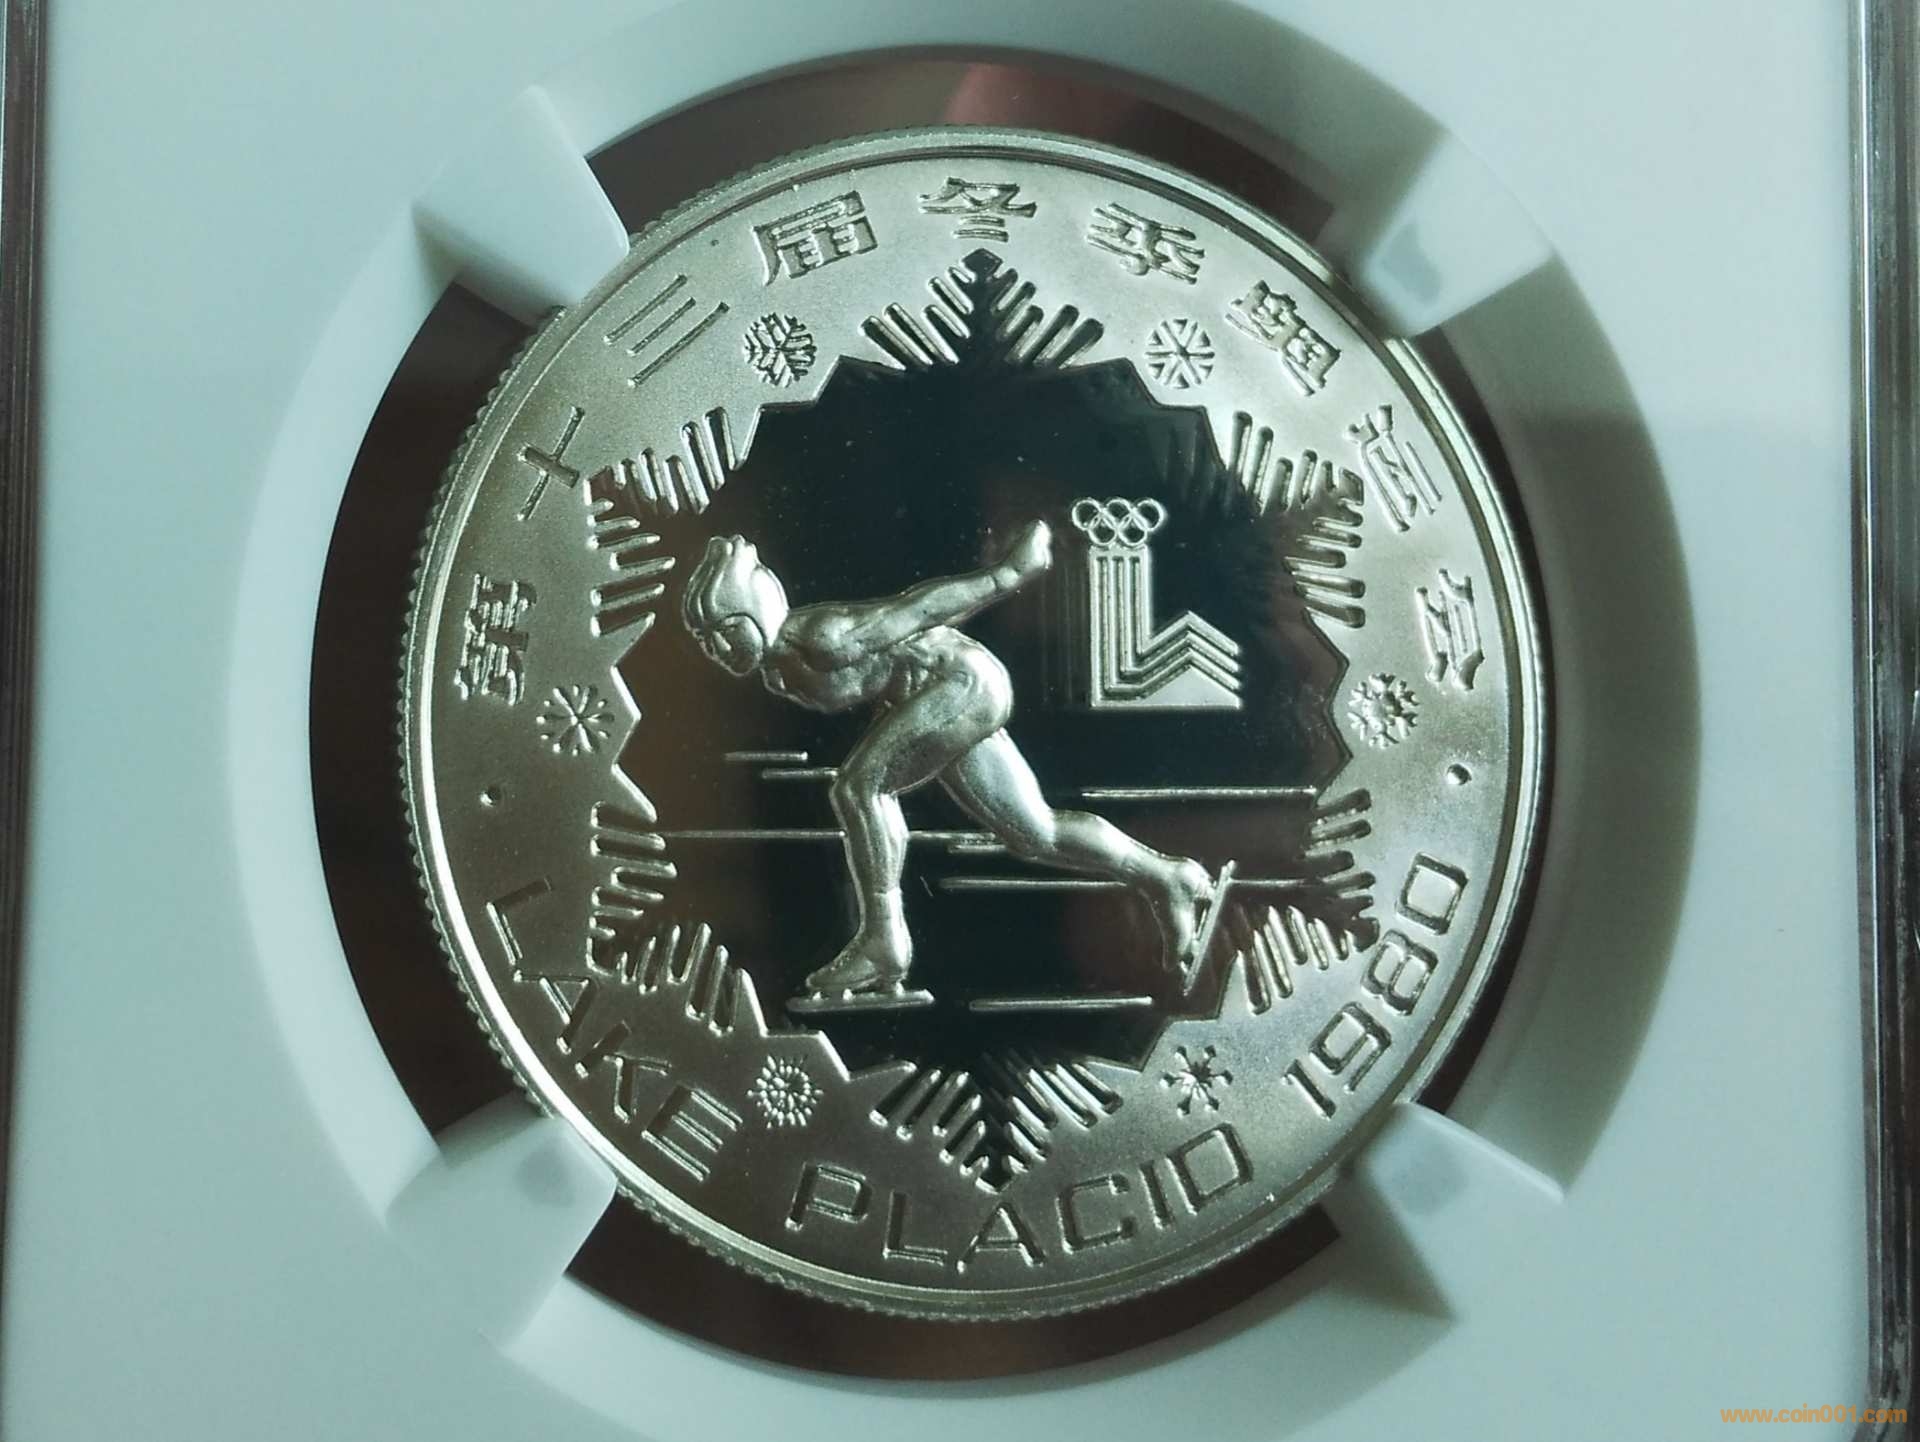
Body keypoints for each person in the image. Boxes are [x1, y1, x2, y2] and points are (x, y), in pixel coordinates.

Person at [681, 519, 1215, 997]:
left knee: (860, 786)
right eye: (706, 640)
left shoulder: (825, 639)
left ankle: (884, 939)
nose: (718, 650)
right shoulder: (779, 671)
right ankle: (1168, 877)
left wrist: (1006, 576)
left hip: (960, 684)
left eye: (726, 630)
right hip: (942, 699)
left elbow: (919, 609)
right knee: (1035, 833)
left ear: (756, 612)